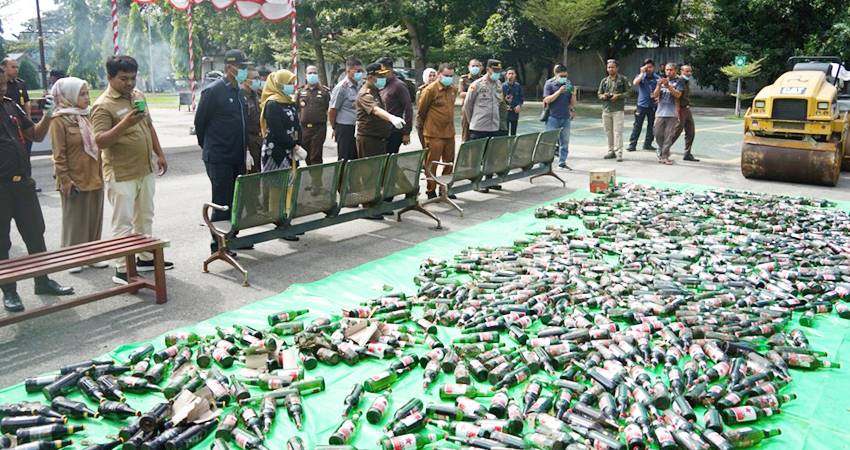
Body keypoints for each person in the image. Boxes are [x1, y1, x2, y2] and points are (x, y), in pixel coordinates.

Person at [91, 55, 172, 285]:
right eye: (123, 78)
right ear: (110, 78)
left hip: (144, 168)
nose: (129, 83)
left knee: (145, 216)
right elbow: (100, 141)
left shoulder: (138, 96)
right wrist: (125, 123)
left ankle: (145, 258)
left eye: (133, 78)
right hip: (121, 172)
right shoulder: (102, 106)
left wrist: (160, 153)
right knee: (123, 222)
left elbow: (149, 125)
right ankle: (122, 269)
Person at [0, 72, 74, 312]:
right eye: (0, 85)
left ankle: (42, 281)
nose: (3, 89)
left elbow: (36, 134)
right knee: (2, 241)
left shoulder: (11, 106)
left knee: (35, 233)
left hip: (23, 185)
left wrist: (48, 116)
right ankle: (9, 291)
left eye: (4, 84)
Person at [194, 49, 251, 255]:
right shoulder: (214, 91)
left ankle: (232, 238)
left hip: (237, 156)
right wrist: (210, 147)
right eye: (242, 67)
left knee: (236, 200)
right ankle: (218, 244)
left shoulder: (239, 91)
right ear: (230, 67)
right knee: (222, 202)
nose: (245, 71)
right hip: (219, 156)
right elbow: (200, 124)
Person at [49, 77, 107, 273]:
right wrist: (65, 179)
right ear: (69, 96)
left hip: (94, 174)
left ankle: (92, 255)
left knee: (94, 216)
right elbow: (58, 154)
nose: (86, 98)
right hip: (74, 178)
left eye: (87, 93)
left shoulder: (87, 116)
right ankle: (72, 257)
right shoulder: (59, 120)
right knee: (75, 219)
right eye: (82, 94)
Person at [417, 63, 458, 200]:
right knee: (432, 163)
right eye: (446, 75)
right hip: (433, 134)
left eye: (451, 76)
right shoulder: (430, 90)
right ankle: (431, 190)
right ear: (439, 74)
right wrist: (423, 131)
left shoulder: (453, 89)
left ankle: (445, 189)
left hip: (449, 133)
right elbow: (421, 112)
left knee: (449, 163)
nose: (449, 78)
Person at [355, 63, 405, 159]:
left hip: (379, 139)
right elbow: (375, 110)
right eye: (380, 76)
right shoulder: (365, 94)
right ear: (370, 77)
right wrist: (391, 118)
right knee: (370, 171)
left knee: (379, 170)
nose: (383, 78)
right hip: (369, 139)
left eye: (384, 75)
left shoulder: (376, 91)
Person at [2, 58, 38, 191]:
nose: (16, 69)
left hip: (21, 125)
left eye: (17, 67)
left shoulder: (20, 84)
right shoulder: (3, 84)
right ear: (4, 68)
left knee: (25, 154)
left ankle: (27, 179)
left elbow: (26, 102)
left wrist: (27, 121)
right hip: (7, 126)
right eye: (13, 67)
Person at [259, 70, 305, 172]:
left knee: (292, 184)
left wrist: (299, 143)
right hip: (276, 151)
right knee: (278, 185)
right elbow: (277, 131)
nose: (291, 86)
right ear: (279, 84)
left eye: (293, 84)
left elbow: (297, 124)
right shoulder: (272, 104)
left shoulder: (290, 102)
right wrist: (294, 146)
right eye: (289, 84)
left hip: (292, 150)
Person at [376, 57, 413, 154]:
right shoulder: (381, 85)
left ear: (390, 69)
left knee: (390, 159)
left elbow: (408, 108)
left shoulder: (398, 85)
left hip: (394, 131)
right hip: (382, 130)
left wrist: (406, 132)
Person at [542, 64, 577, 170]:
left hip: (565, 117)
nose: (563, 78)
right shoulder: (549, 84)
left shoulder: (568, 83)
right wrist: (559, 91)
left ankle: (562, 162)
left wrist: (574, 94)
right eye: (561, 76)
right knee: (549, 141)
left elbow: (572, 103)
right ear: (556, 74)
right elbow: (547, 100)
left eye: (565, 76)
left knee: (564, 142)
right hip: (552, 117)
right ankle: (545, 163)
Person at [329, 58, 363, 161]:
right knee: (345, 158)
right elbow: (332, 110)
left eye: (361, 71)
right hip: (344, 128)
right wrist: (335, 128)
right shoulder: (341, 87)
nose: (360, 74)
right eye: (357, 71)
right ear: (348, 71)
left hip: (356, 127)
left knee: (355, 158)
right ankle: (341, 177)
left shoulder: (358, 86)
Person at [598, 59, 630, 161]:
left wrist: (618, 96)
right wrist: (603, 96)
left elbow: (629, 92)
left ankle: (619, 152)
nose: (610, 69)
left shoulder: (623, 79)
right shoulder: (604, 81)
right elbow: (599, 93)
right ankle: (610, 151)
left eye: (612, 67)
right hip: (606, 109)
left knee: (618, 132)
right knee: (608, 132)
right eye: (608, 67)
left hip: (618, 110)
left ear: (617, 68)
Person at [297, 65, 330, 165]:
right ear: (306, 76)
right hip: (304, 129)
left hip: (318, 129)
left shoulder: (324, 92)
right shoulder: (300, 92)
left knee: (315, 156)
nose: (312, 75)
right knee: (307, 156)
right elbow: (297, 109)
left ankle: (317, 180)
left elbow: (328, 108)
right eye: (310, 73)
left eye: (314, 73)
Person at [652, 62, 684, 165]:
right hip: (660, 112)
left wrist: (668, 86)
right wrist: (658, 85)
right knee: (657, 133)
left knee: (668, 136)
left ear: (675, 71)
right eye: (667, 70)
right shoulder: (661, 80)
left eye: (671, 70)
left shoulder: (679, 81)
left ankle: (664, 156)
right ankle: (662, 151)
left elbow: (678, 94)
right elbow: (655, 95)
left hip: (672, 113)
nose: (668, 72)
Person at [627, 58, 660, 153]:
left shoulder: (657, 78)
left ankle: (647, 144)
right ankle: (632, 145)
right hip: (641, 105)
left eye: (650, 67)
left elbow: (661, 89)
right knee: (637, 125)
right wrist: (642, 73)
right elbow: (635, 83)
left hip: (652, 105)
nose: (649, 69)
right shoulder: (641, 77)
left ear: (653, 67)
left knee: (651, 126)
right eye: (647, 67)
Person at [673, 64, 699, 162]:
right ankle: (663, 149)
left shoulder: (686, 81)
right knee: (676, 131)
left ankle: (687, 153)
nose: (689, 73)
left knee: (690, 131)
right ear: (681, 71)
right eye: (687, 71)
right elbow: (677, 96)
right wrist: (677, 111)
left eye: (690, 71)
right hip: (681, 109)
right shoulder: (680, 81)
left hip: (687, 109)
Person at [243, 68, 263, 173]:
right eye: (255, 78)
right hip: (248, 140)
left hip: (259, 139)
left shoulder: (257, 95)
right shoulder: (240, 96)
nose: (258, 81)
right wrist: (246, 150)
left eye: (258, 78)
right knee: (251, 176)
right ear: (245, 80)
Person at [459, 59, 483, 142]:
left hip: (479, 109)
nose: (475, 68)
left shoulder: (483, 79)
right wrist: (473, 93)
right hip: (466, 108)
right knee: (466, 132)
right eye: (473, 66)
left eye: (477, 66)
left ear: (481, 67)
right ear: (469, 67)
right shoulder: (464, 79)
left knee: (479, 132)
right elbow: (461, 94)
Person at [416, 67, 437, 146]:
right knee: (426, 147)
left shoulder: (439, 90)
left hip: (436, 123)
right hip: (423, 123)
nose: (432, 78)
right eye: (430, 76)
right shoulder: (421, 91)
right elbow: (420, 110)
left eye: (434, 75)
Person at [502, 67, 524, 136]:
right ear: (506, 75)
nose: (511, 75)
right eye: (509, 73)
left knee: (513, 133)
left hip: (515, 113)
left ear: (515, 75)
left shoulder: (518, 86)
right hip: (505, 113)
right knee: (505, 132)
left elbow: (521, 98)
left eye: (512, 73)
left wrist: (519, 105)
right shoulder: (502, 86)